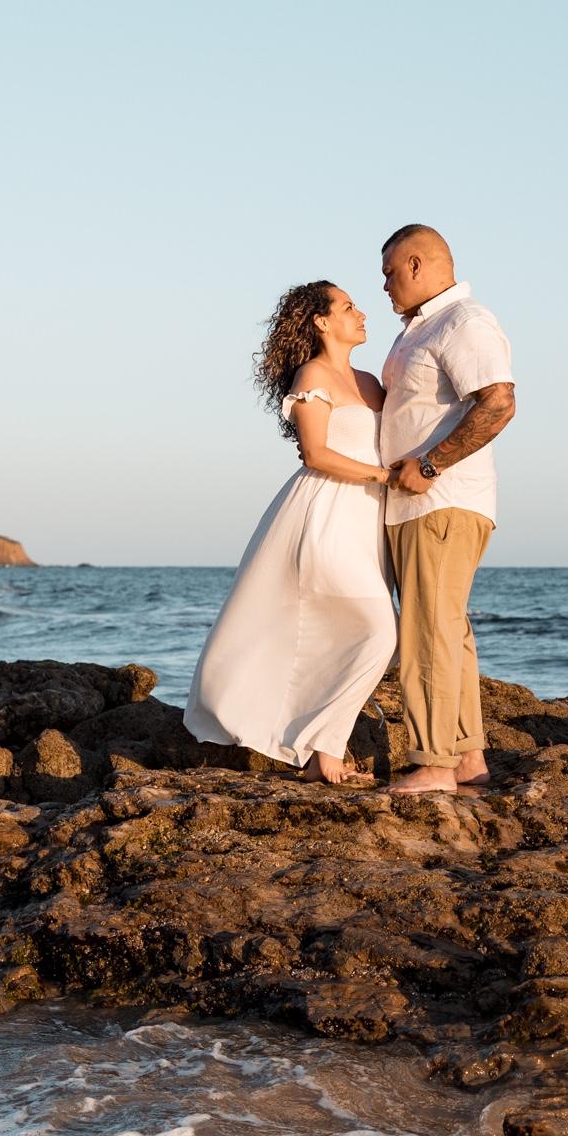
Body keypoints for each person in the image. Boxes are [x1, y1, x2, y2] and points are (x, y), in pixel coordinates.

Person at [182, 281, 397, 782]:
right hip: (324, 513)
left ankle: (324, 754)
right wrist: (385, 477)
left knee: (348, 630)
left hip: (368, 520)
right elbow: (315, 453)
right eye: (348, 306)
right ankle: (323, 748)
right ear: (321, 322)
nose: (362, 312)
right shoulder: (313, 373)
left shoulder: (371, 382)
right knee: (377, 630)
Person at [376, 224, 516, 793]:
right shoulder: (422, 329)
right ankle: (467, 761)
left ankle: (433, 764)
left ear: (415, 264)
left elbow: (500, 403)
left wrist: (431, 464)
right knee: (447, 632)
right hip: (424, 506)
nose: (384, 286)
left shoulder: (464, 321)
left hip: (441, 503)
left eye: (389, 272)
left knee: (428, 634)